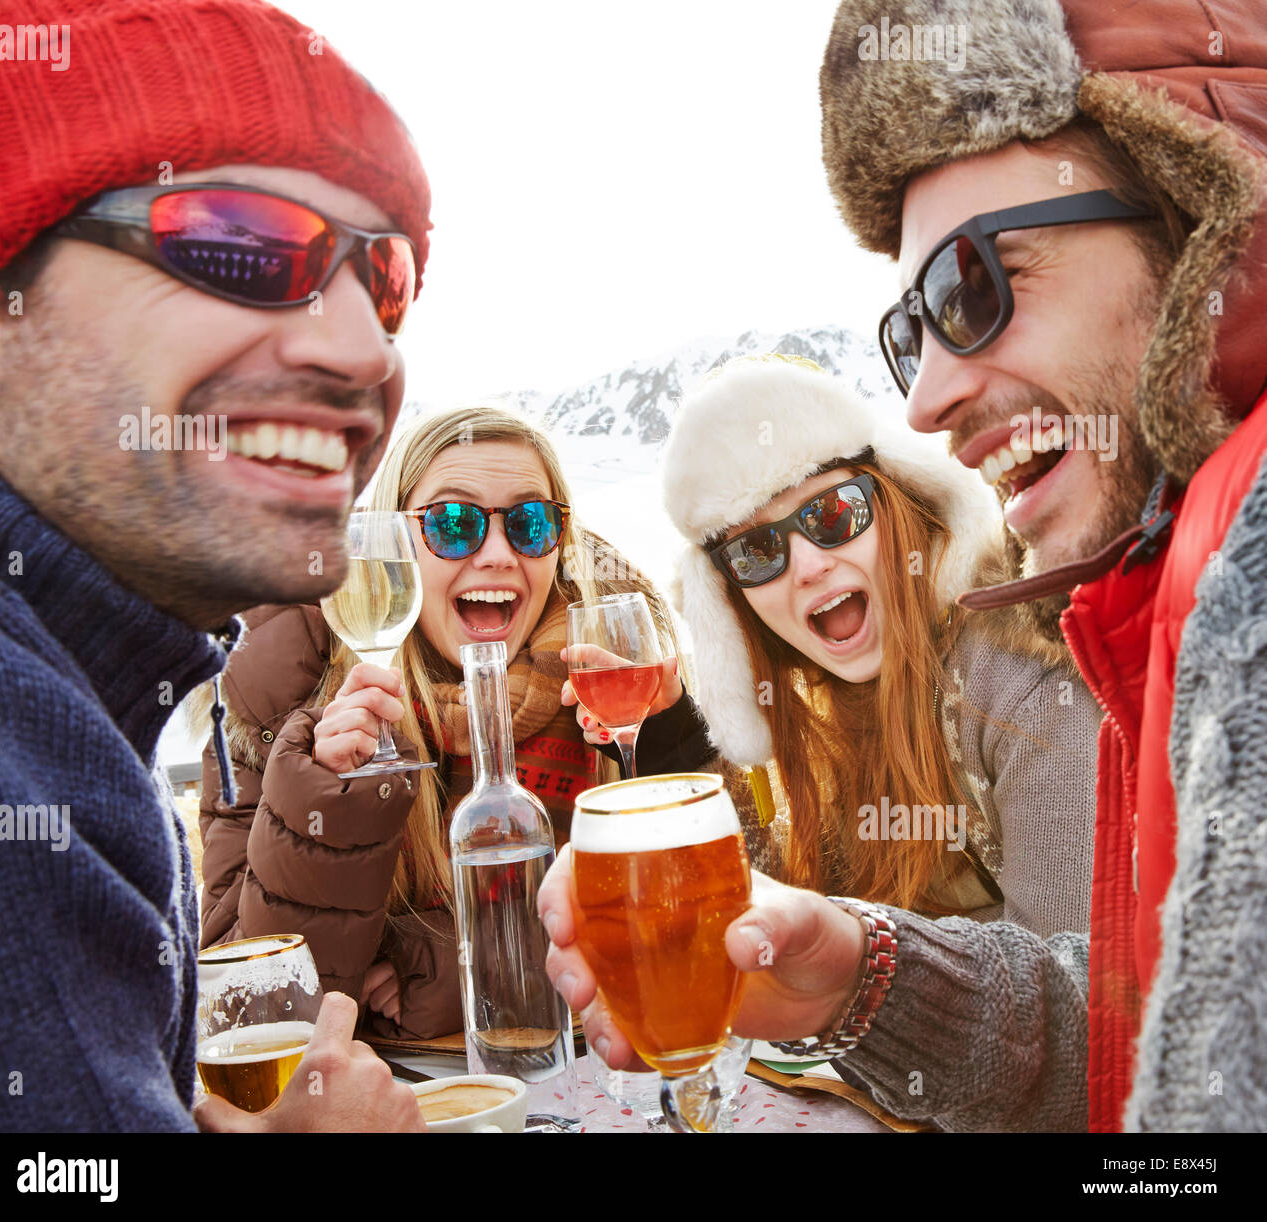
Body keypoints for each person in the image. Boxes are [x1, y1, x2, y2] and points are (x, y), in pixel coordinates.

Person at [0, 0, 432, 1132]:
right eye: (242, 244)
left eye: (385, 282)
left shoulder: (59, 688)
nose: (363, 349)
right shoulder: (0, 746)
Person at [820, 0, 1267, 1132]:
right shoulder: (1164, 571)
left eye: (972, 286)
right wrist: (860, 977)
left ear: (1191, 214)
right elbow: (1163, 1040)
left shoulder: (1241, 556)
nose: (923, 400)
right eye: (907, 330)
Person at [198, 404, 770, 1041]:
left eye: (529, 523)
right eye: (452, 523)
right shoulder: (284, 687)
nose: (498, 554)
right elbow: (245, 1011)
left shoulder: (614, 672)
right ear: (394, 542)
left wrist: (674, 749)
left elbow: (750, 930)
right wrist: (325, 807)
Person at [657, 354, 1098, 938]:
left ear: (897, 505)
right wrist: (676, 733)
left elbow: (1076, 977)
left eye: (835, 513)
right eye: (758, 551)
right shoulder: (807, 715)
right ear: (732, 600)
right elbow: (756, 912)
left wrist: (861, 969)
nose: (810, 565)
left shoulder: (1022, 685)